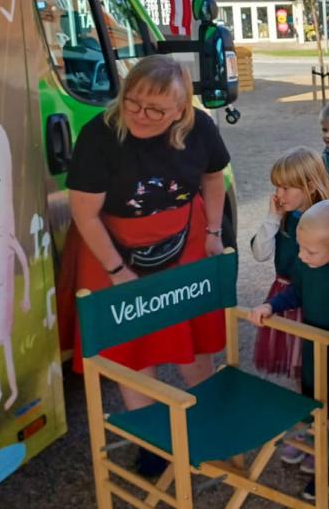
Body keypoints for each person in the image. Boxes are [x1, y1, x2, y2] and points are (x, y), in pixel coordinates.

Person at [66, 55, 230, 477]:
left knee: (190, 328)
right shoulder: (100, 135)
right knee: (132, 342)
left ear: (181, 109)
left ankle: (210, 417)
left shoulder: (200, 128)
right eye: (133, 103)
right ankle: (151, 439)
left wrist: (213, 230)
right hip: (112, 245)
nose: (140, 115)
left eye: (156, 109)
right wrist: (119, 272)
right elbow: (84, 214)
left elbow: (214, 176)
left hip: (184, 236)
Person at [249, 201, 329, 506]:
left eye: (309, 251)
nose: (301, 257)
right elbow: (297, 290)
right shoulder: (310, 263)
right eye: (300, 248)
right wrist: (271, 305)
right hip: (314, 354)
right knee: (316, 415)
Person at [250, 146, 329, 379]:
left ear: (310, 186)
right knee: (296, 365)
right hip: (283, 297)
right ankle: (308, 412)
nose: (278, 194)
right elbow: (260, 253)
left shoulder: (326, 221)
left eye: (286, 187)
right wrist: (272, 219)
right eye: (276, 186)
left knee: (315, 367)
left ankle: (326, 416)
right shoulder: (283, 218)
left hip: (312, 300)